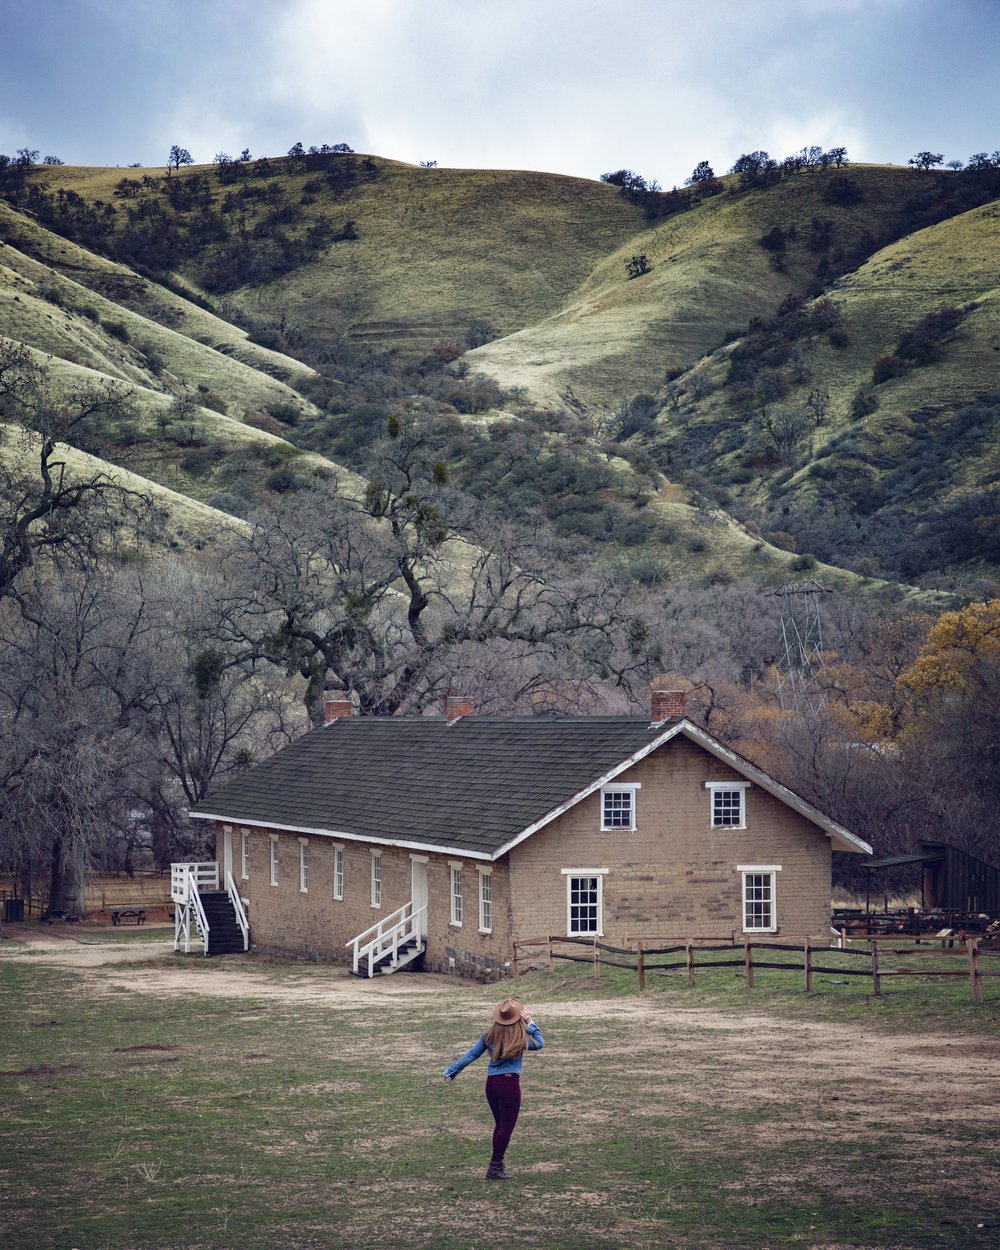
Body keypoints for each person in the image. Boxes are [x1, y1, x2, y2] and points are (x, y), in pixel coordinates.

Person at [443, 997, 544, 1180]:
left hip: (492, 1084)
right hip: (509, 1084)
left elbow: (472, 1054)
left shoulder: (489, 1035)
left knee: (500, 1125)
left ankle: (498, 1163)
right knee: (506, 1127)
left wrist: (452, 1070)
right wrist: (531, 1023)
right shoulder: (520, 1039)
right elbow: (540, 1042)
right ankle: (495, 1166)